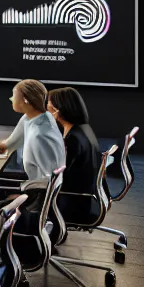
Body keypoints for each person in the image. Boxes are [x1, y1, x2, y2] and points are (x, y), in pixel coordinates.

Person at [0, 80, 65, 184]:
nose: (11, 99)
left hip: (38, 193)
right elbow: (8, 144)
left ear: (26, 100)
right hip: (33, 187)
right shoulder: (33, 117)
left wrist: (21, 194)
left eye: (14, 96)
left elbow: (49, 181)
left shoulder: (40, 135)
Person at [49, 87, 103, 226]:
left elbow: (58, 177)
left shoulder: (73, 139)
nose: (46, 107)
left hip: (71, 203)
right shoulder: (83, 129)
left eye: (49, 103)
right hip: (84, 198)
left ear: (58, 109)